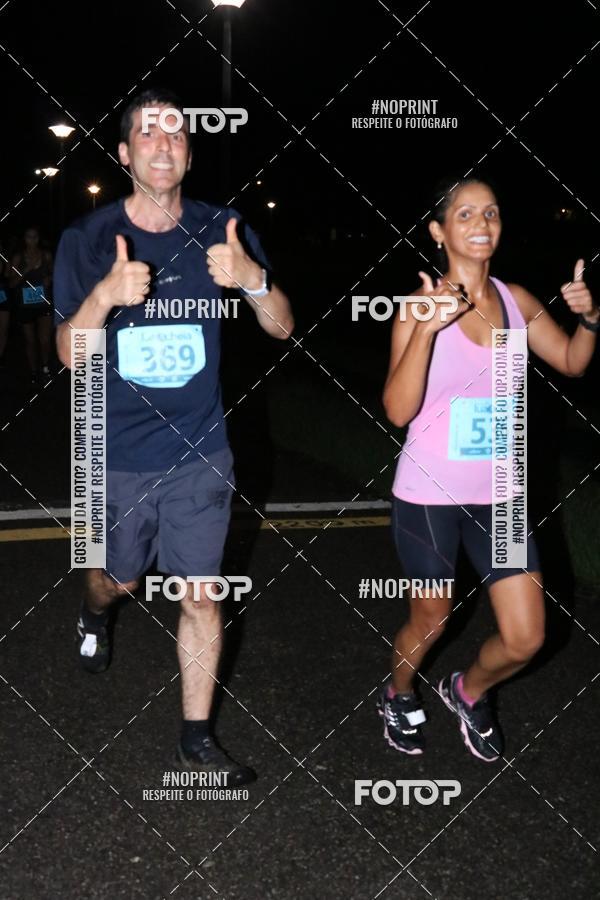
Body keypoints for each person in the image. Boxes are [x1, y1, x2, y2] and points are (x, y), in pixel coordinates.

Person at [54, 88, 293, 784]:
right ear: (127, 154)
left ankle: (196, 739)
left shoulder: (226, 226)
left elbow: (281, 325)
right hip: (117, 453)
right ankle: (93, 611)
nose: (165, 145)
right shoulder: (87, 240)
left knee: (201, 594)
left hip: (200, 452)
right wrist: (104, 295)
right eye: (149, 135)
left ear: (188, 152)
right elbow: (71, 355)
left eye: (178, 135)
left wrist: (251, 281)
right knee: (119, 580)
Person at [378, 176, 598, 762]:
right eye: (467, 214)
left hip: (498, 495)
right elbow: (398, 411)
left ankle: (468, 691)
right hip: (428, 495)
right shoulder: (418, 309)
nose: (482, 224)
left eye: (492, 213)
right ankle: (397, 692)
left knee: (527, 637)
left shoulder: (517, 302)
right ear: (439, 232)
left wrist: (592, 317)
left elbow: (574, 363)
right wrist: (427, 329)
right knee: (430, 617)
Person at [9, 226, 54, 383]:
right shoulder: (17, 258)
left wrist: (49, 279)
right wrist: (26, 269)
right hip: (25, 304)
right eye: (29, 236)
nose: (32, 240)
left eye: (35, 236)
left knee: (45, 339)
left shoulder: (46, 255)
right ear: (24, 238)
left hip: (43, 302)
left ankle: (45, 367)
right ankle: (34, 372)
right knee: (30, 340)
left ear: (39, 238)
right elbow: (12, 283)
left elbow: (54, 273)